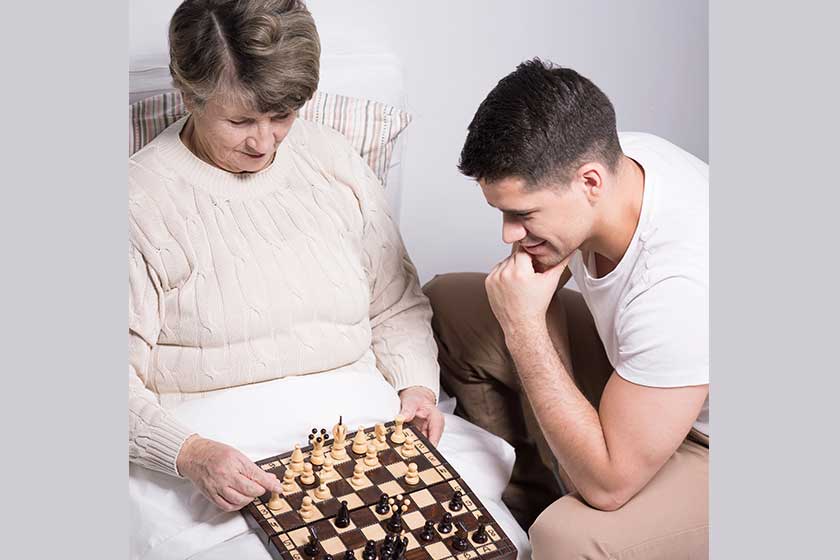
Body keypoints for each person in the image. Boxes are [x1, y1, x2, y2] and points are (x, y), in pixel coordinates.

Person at [129, 0, 443, 513]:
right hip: (216, 462)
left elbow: (395, 304)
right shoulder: (137, 201)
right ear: (187, 94)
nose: (264, 141)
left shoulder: (334, 158)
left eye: (283, 115)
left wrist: (417, 387)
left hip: (362, 433)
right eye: (240, 120)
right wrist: (188, 453)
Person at [424, 59, 708, 558]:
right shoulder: (606, 161)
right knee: (451, 303)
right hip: (647, 378)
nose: (508, 234)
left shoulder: (682, 281)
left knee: (570, 537)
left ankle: (555, 521)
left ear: (590, 183)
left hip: (708, 440)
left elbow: (609, 484)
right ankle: (531, 503)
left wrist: (524, 326)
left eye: (523, 214)